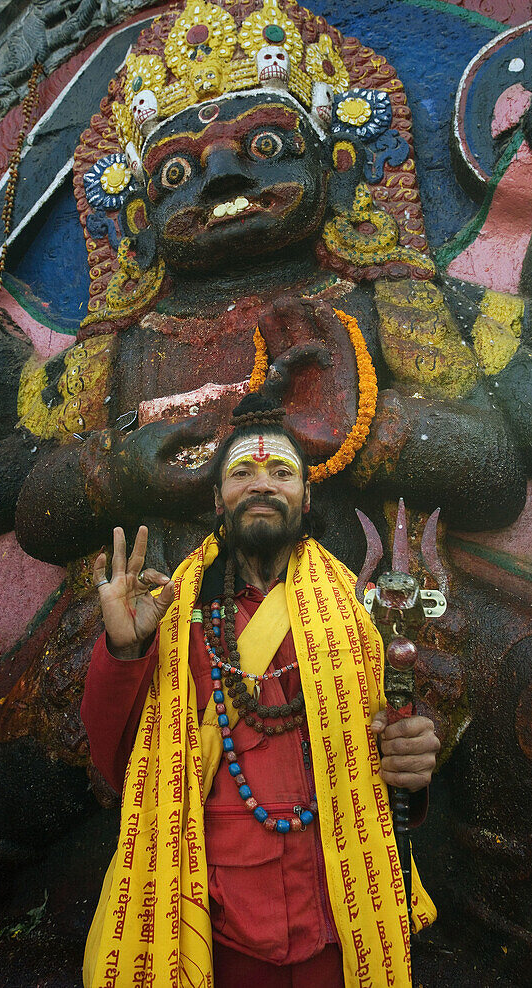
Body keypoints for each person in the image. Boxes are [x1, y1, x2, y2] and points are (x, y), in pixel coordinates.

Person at [81, 394, 440, 988]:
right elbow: (118, 762)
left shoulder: (354, 613)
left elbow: (385, 754)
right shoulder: (178, 614)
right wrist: (125, 650)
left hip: (339, 922)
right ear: (216, 499)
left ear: (307, 496)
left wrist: (411, 760)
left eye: (282, 473)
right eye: (242, 473)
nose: (262, 485)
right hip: (220, 930)